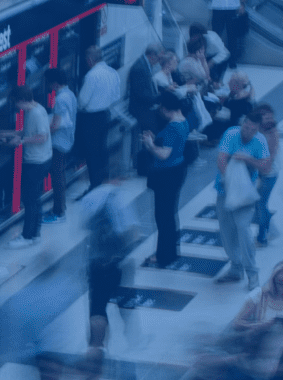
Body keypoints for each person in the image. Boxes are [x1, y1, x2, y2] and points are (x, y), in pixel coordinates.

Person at [81, 178, 143, 357]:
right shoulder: (120, 198)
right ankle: (133, 341)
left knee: (97, 308)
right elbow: (132, 231)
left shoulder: (90, 198)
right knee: (126, 303)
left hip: (96, 263)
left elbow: (84, 227)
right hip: (118, 263)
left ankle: (97, 346)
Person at [216, 105, 274, 288]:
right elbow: (221, 159)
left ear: (257, 129)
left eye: (252, 130)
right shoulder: (231, 134)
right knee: (227, 232)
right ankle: (235, 267)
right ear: (243, 123)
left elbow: (266, 167)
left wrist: (246, 158)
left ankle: (252, 273)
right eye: (246, 127)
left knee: (244, 231)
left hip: (245, 197)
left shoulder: (260, 141)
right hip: (225, 192)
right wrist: (230, 181)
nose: (247, 132)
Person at [142, 92, 189, 267]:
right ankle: (170, 251)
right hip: (178, 169)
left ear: (164, 108)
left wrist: (150, 145)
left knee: (163, 216)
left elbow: (163, 154)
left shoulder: (172, 128)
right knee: (170, 213)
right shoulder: (183, 122)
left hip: (167, 174)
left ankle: (164, 255)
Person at [4, 85, 52, 248]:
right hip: (42, 161)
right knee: (35, 200)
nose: (16, 107)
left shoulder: (36, 113)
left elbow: (42, 137)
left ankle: (27, 236)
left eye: (16, 103)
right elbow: (29, 131)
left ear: (22, 100)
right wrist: (10, 134)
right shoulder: (36, 110)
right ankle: (35, 234)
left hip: (35, 163)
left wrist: (21, 141)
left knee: (29, 200)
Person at [78, 45, 121, 194]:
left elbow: (82, 100)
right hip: (105, 115)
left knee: (92, 152)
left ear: (90, 60)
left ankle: (95, 185)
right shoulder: (112, 73)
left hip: (91, 118)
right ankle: (104, 180)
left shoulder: (91, 76)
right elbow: (116, 96)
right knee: (102, 149)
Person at [47, 69, 77, 222]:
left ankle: (58, 212)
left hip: (58, 143)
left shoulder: (59, 100)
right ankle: (59, 208)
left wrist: (43, 133)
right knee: (60, 176)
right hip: (67, 141)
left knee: (57, 178)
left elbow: (56, 124)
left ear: (55, 83)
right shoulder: (70, 94)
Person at [253, 104, 282, 248]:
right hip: (261, 172)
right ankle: (271, 230)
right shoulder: (260, 130)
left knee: (261, 204)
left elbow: (269, 159)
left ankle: (262, 237)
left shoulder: (272, 133)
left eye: (270, 116)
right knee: (259, 204)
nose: (269, 119)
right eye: (266, 116)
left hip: (267, 174)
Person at [127, 44, 162, 134]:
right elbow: (141, 94)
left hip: (146, 104)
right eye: (158, 58)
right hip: (139, 108)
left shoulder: (145, 64)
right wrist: (158, 98)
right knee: (154, 126)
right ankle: (151, 146)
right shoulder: (139, 68)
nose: (158, 61)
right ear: (152, 55)